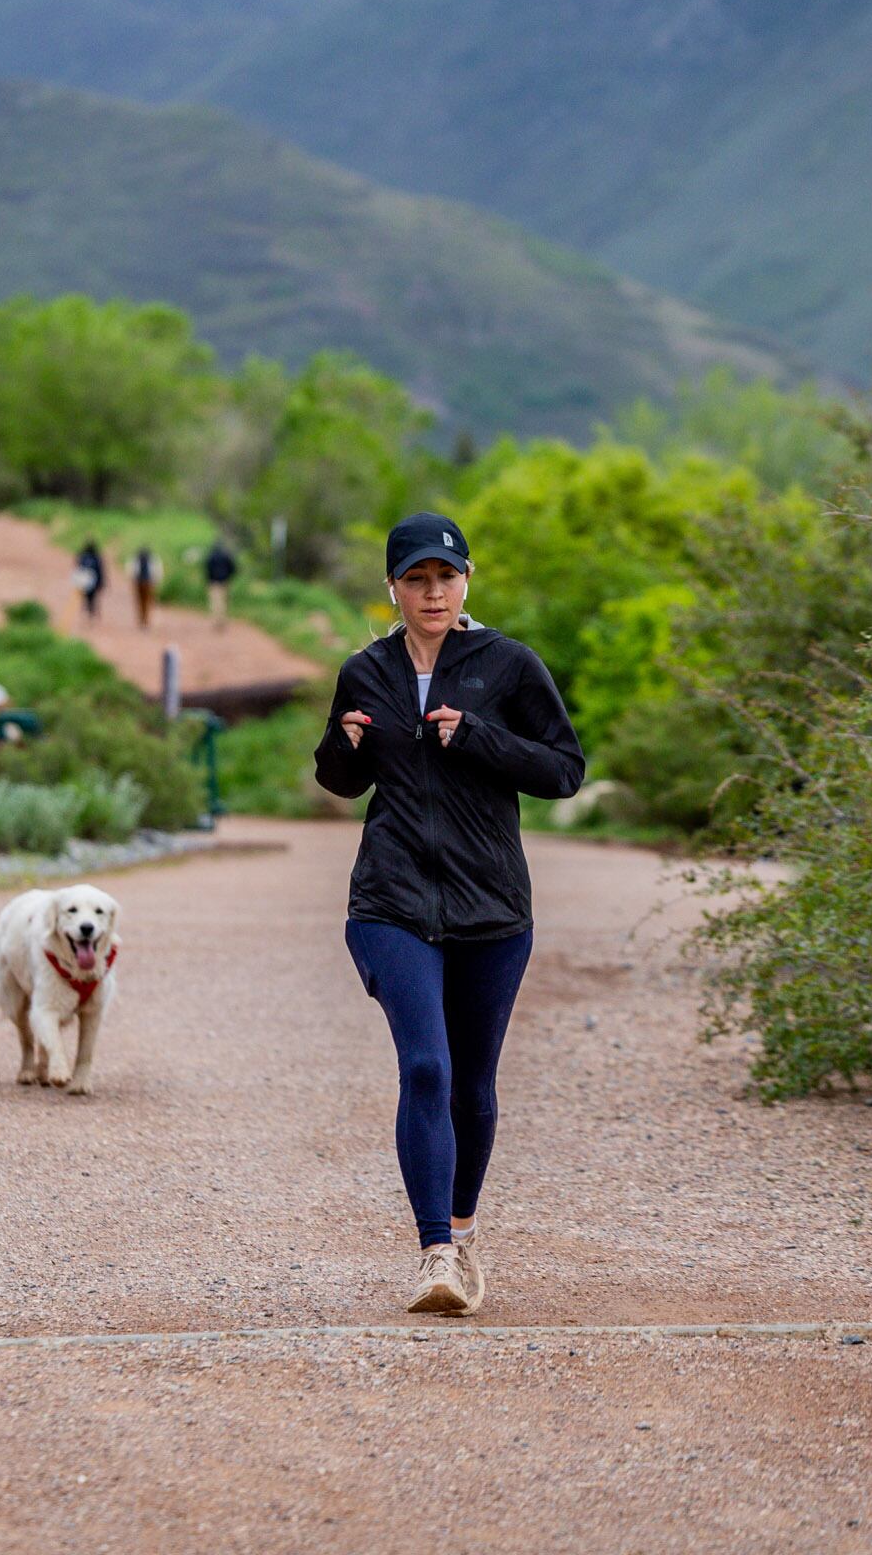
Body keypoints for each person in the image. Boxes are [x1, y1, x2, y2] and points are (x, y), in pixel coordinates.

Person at [313, 510, 582, 1315]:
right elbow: (338, 781)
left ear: (468, 581)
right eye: (416, 579)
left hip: (491, 906)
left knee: (472, 1083)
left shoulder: (508, 665)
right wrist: (345, 743)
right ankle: (434, 1252)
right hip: (390, 900)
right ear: (391, 587)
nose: (433, 591)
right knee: (425, 1066)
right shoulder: (366, 669)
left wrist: (481, 738)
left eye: (446, 576)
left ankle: (464, 1234)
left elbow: (564, 770)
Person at [203, 537, 239, 628]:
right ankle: (222, 620)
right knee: (224, 601)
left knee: (215, 602)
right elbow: (233, 568)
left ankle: (216, 620)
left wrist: (209, 580)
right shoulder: (226, 556)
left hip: (214, 582)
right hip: (225, 581)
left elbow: (207, 569)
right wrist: (229, 577)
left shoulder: (211, 556)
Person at [74, 540, 106, 628]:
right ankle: (90, 616)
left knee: (86, 598)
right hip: (93, 582)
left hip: (85, 582)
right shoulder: (97, 558)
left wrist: (77, 581)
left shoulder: (82, 557)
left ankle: (87, 616)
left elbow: (78, 569)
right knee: (92, 599)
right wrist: (101, 583)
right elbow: (101, 572)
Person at [131, 544, 161, 628]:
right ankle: (145, 620)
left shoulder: (136, 558)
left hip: (139, 582)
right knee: (147, 602)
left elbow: (132, 571)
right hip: (148, 583)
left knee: (140, 601)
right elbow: (157, 571)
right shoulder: (153, 559)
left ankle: (142, 619)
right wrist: (156, 581)